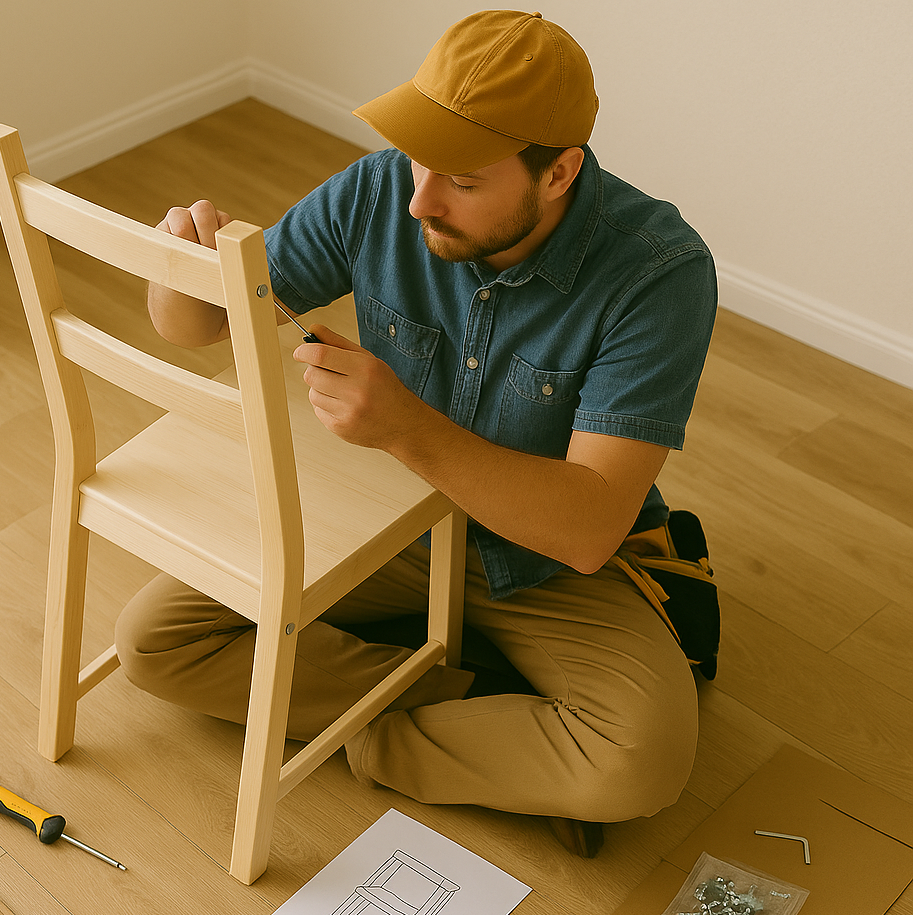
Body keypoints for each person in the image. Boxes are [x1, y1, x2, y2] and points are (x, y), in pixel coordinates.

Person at [115, 9, 717, 856]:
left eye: (462, 181)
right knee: (155, 643)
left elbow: (587, 531)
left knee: (639, 761)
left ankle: (381, 726)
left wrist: (403, 427)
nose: (419, 200)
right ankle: (486, 718)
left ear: (558, 173)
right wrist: (176, 269)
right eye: (418, 160)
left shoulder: (659, 272)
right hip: (389, 521)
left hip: (544, 554)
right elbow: (201, 323)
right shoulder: (379, 192)